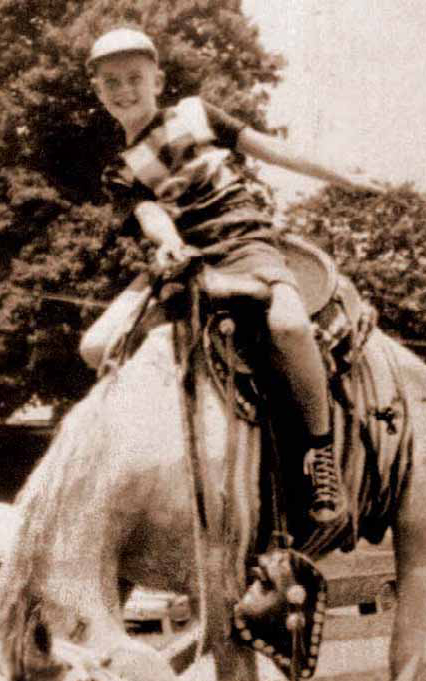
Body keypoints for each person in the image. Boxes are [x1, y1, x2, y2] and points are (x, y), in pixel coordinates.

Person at [82, 26, 379, 526]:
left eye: (135, 77)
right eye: (111, 82)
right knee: (96, 345)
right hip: (184, 257)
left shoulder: (196, 114)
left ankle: (320, 454)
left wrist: (341, 175)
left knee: (288, 325)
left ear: (159, 78)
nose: (124, 90)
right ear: (98, 91)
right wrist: (170, 242)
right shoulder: (120, 169)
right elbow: (149, 214)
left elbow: (269, 149)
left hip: (246, 243)